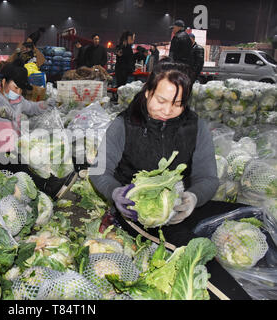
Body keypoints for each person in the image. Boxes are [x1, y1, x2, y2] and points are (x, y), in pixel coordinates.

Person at [89, 61, 251, 300]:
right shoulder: (123, 125)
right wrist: (115, 193)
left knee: (250, 214)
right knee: (195, 257)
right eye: (160, 101)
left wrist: (193, 197)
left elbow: (207, 177)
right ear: (147, 92)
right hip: (138, 214)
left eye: (177, 104)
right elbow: (98, 171)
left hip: (180, 206)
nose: (166, 110)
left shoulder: (195, 126)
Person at [0, 60, 73, 198]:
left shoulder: (18, 101)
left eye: (21, 89)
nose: (18, 92)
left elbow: (32, 108)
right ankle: (49, 187)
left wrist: (45, 104)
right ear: (4, 82)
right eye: (16, 87)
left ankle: (52, 180)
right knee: (20, 168)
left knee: (34, 158)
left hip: (13, 148)